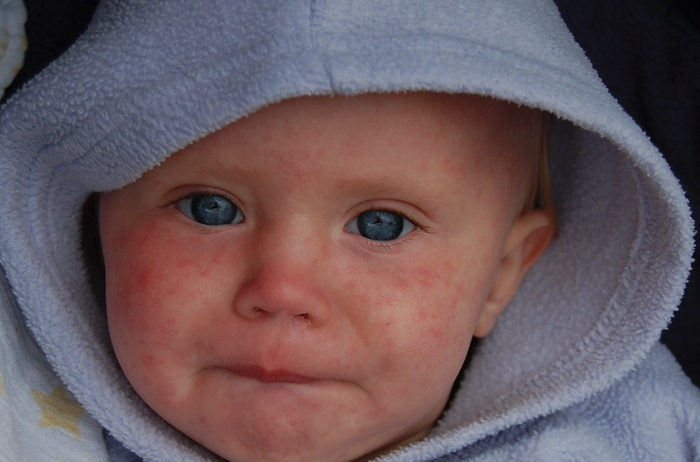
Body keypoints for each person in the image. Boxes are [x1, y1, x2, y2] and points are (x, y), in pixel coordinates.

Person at [0, 1, 697, 461]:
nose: (282, 290)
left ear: (503, 274)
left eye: (381, 225)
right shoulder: (30, 421)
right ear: (93, 217)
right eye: (210, 208)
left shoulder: (627, 435)